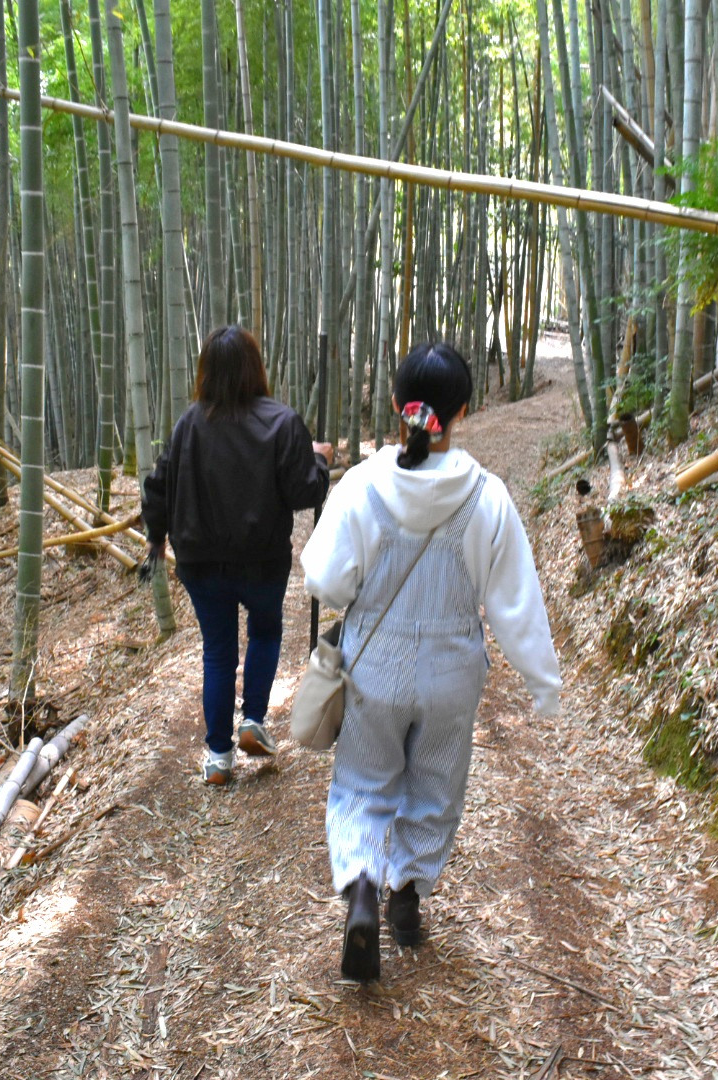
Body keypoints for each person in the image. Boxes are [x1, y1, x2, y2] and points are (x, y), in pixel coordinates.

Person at [302, 341, 561, 981]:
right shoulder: (488, 495)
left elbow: (325, 581)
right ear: (465, 411)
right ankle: (407, 898)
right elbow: (514, 602)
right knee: (436, 787)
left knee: (363, 784)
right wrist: (542, 683)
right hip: (453, 671)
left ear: (396, 404)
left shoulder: (363, 485)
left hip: (373, 666)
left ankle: (362, 887)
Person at [143, 325, 332, 785]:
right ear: (256, 368)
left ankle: (218, 756)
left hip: (200, 563)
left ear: (205, 371)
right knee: (265, 632)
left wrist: (156, 537)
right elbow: (304, 491)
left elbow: (158, 485)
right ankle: (253, 720)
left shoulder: (189, 424)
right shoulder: (282, 422)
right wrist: (320, 460)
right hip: (261, 560)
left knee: (219, 651)